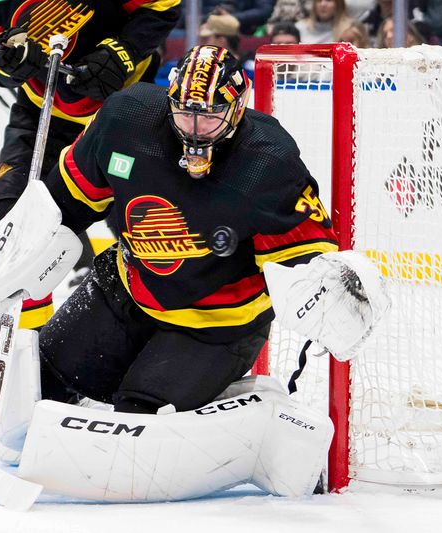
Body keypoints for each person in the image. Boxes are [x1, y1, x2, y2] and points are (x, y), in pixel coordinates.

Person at [37, 45, 339, 415]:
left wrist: (327, 292)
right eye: (185, 113)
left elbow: (308, 258)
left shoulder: (268, 161)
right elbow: (62, 204)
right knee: (41, 376)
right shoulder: (125, 119)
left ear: (237, 108)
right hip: (130, 289)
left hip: (220, 324)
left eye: (210, 116)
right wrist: (23, 245)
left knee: (140, 415)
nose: (194, 129)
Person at [0, 0, 181, 328]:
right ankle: (32, 344)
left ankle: (168, 335)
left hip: (121, 111)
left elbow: (163, 7)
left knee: (148, 230)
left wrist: (122, 51)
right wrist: (7, 60)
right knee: (14, 220)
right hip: (40, 111)